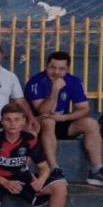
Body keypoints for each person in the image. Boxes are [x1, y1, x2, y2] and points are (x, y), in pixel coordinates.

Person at [25, 51, 103, 185]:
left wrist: (64, 117)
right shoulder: (36, 81)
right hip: (39, 125)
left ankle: (97, 170)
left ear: (67, 69)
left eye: (61, 69)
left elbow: (84, 109)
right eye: (52, 67)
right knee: (49, 121)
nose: (56, 72)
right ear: (46, 66)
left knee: (91, 123)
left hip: (62, 121)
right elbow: (43, 111)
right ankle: (55, 169)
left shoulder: (73, 81)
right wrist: (55, 89)